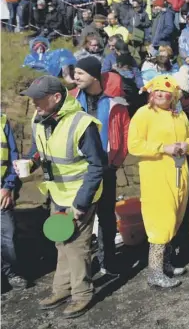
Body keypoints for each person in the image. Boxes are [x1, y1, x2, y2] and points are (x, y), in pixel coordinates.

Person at [21, 76, 107, 318]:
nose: (34, 102)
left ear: (56, 98)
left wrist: (81, 203)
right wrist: (31, 161)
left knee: (77, 246)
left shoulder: (81, 124)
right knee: (61, 241)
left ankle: (82, 294)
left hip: (80, 194)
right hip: (57, 192)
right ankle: (61, 289)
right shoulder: (39, 118)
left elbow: (97, 166)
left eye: (38, 98)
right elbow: (38, 149)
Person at [128, 75, 189, 288]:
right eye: (156, 90)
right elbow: (134, 145)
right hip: (156, 175)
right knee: (161, 221)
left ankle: (166, 265)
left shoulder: (179, 115)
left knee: (175, 217)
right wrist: (162, 148)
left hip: (179, 173)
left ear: (173, 94)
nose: (159, 94)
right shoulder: (144, 114)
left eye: (164, 91)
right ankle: (154, 273)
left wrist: (186, 146)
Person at [70, 57, 130, 276]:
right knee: (80, 216)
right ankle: (80, 269)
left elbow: (125, 133)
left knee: (106, 217)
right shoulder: (72, 100)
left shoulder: (115, 102)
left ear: (94, 76)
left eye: (80, 73)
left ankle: (108, 262)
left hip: (106, 167)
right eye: (74, 73)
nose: (75, 77)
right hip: (80, 168)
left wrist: (116, 161)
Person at [1, 113, 28, 290]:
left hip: (1, 190)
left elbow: (13, 157)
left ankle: (11, 273)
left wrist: (8, 187)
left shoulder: (2, 121)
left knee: (7, 236)